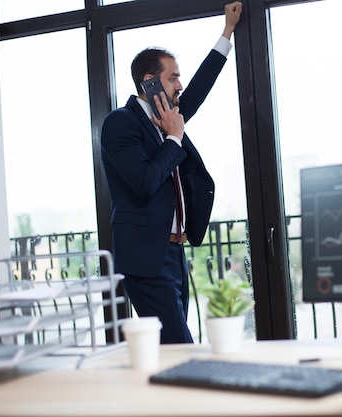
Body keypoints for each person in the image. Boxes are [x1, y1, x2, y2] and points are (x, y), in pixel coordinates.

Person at [100, 2, 243, 344]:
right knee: (180, 346)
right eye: (173, 76)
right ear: (150, 82)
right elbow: (146, 181)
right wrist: (174, 137)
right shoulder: (120, 123)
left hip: (174, 254)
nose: (180, 84)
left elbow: (199, 90)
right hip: (146, 258)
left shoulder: (168, 118)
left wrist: (227, 32)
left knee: (171, 348)